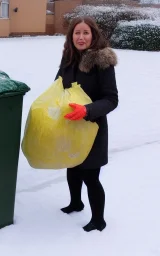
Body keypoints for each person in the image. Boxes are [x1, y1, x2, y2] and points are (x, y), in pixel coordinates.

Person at [54, 16, 118, 232]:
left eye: (85, 33)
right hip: (71, 124)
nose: (81, 37)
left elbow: (111, 99)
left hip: (92, 127)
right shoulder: (68, 58)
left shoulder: (102, 61)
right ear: (71, 36)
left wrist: (87, 110)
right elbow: (57, 86)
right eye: (77, 33)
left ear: (93, 35)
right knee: (72, 166)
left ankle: (99, 220)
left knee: (90, 175)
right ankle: (75, 203)